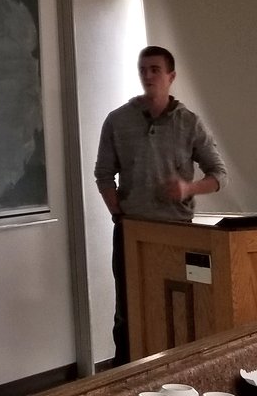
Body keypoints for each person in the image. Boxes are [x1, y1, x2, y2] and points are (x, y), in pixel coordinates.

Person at [94, 45, 227, 366]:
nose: (148, 76)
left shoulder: (189, 123)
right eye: (143, 69)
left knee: (176, 306)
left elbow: (219, 174)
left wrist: (188, 188)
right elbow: (102, 175)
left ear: (171, 76)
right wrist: (119, 215)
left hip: (177, 233)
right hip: (131, 231)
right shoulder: (117, 120)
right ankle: (126, 376)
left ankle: (178, 374)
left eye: (155, 69)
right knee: (128, 311)